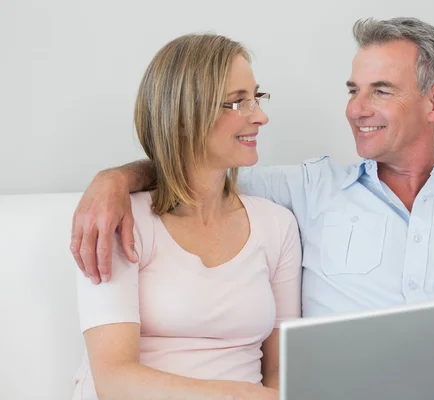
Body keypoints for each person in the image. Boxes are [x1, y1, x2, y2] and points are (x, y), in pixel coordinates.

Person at [70, 17, 434, 399]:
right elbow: (197, 168)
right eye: (354, 90)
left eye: (380, 90)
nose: (357, 108)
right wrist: (113, 180)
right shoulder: (308, 190)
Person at [70, 33, 302, 400]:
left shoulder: (277, 225)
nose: (260, 115)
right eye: (238, 102)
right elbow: (113, 381)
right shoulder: (122, 220)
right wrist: (244, 397)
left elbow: (282, 370)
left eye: (256, 97)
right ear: (182, 119)